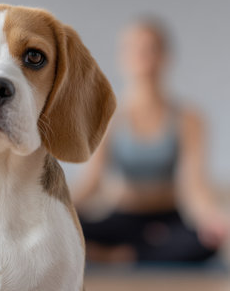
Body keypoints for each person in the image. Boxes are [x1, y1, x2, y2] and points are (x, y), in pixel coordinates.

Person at [71, 17, 228, 264]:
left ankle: (120, 257)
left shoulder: (189, 119)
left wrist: (214, 218)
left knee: (205, 240)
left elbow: (194, 187)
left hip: (166, 222)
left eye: (150, 49)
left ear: (165, 56)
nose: (142, 56)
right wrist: (59, 211)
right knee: (68, 231)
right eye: (134, 49)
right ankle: (139, 256)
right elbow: (92, 182)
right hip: (121, 218)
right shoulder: (108, 117)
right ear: (122, 56)